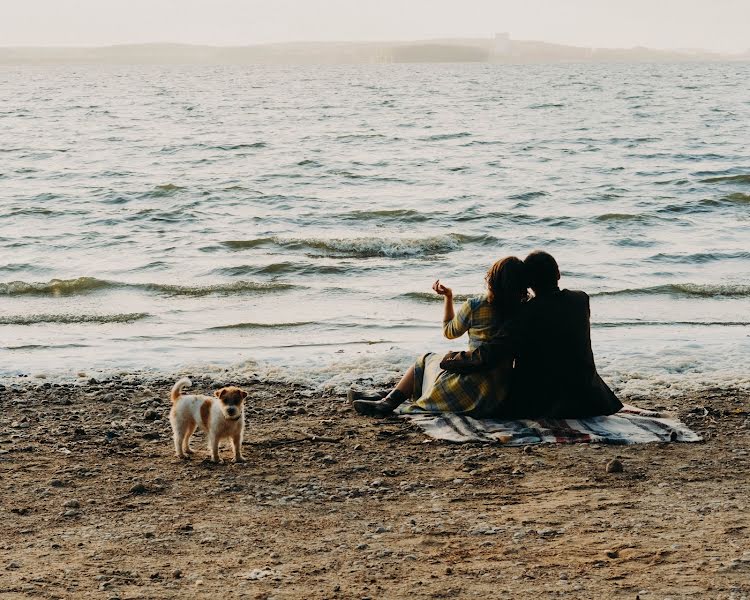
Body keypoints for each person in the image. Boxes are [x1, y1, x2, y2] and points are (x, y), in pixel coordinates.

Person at [440, 251, 623, 418]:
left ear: (528, 283)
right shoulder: (581, 299)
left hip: (548, 404)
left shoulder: (526, 313)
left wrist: (449, 359)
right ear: (558, 275)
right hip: (589, 397)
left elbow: (490, 355)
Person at [351, 256, 528, 418]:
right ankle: (384, 394)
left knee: (425, 360)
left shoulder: (475, 305)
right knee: (437, 364)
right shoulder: (524, 311)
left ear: (492, 280)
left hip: (471, 385)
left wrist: (448, 298)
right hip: (498, 390)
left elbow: (449, 332)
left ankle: (387, 403)